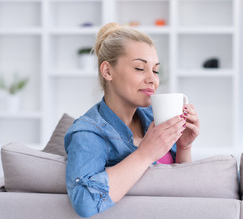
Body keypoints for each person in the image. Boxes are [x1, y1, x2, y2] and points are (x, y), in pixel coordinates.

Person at [64, 22, 200, 218]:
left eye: (155, 70)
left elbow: (182, 190)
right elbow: (85, 202)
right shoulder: (88, 133)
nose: (152, 79)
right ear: (107, 71)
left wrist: (184, 147)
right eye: (139, 68)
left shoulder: (155, 117)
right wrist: (145, 153)